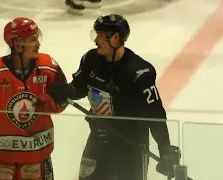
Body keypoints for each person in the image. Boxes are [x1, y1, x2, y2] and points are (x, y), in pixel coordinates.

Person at [49, 14, 180, 179]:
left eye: (100, 36)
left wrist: (164, 148)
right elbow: (81, 86)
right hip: (98, 138)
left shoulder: (139, 72)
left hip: (131, 146)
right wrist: (69, 90)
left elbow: (155, 114)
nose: (95, 40)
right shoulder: (90, 59)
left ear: (116, 39)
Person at [0, 17, 68, 180]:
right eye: (33, 40)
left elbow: (63, 101)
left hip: (38, 156)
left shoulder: (49, 67)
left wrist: (55, 102)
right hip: (3, 158)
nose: (38, 44)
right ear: (17, 44)